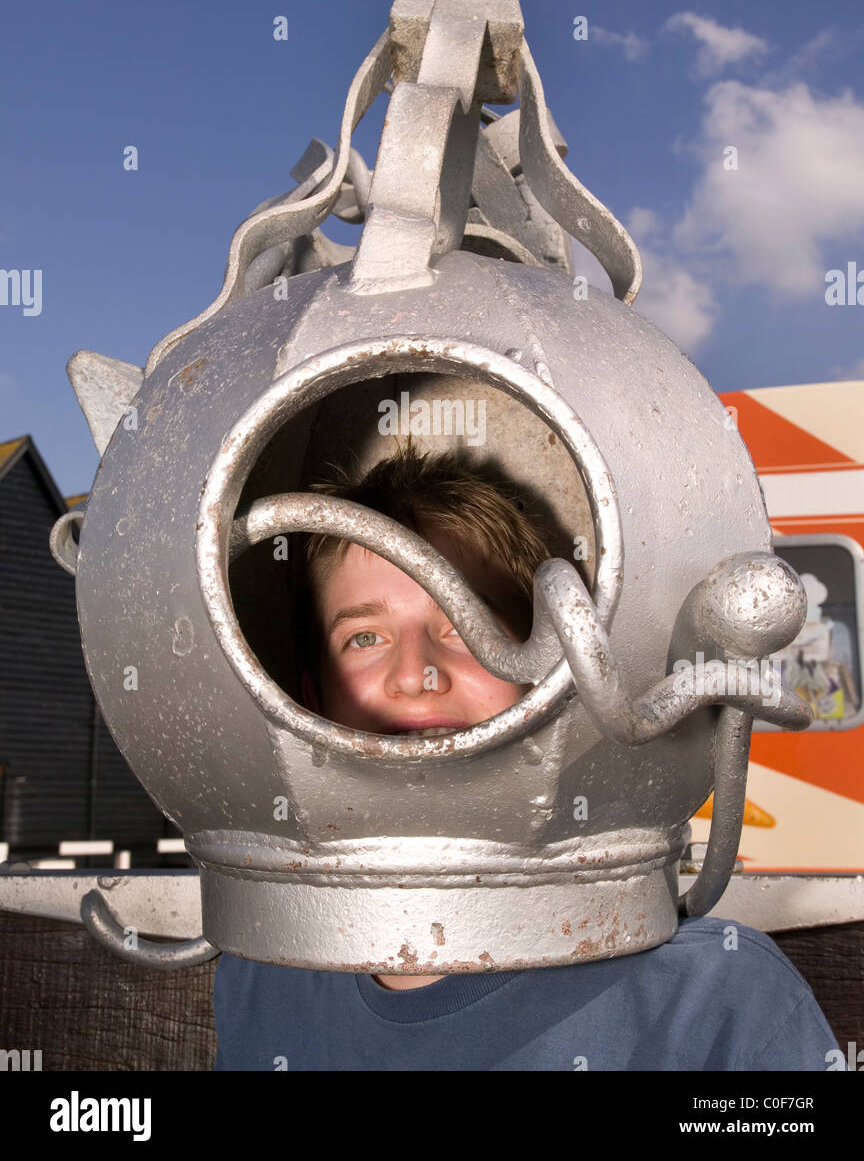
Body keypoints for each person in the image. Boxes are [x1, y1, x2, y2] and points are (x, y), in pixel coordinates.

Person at [213, 440, 844, 1070]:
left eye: (467, 623)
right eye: (366, 637)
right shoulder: (260, 971)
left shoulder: (712, 1002)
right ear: (310, 698)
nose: (416, 673)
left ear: (545, 676)